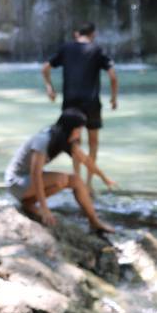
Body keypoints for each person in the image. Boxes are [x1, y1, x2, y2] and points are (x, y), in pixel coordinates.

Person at [5, 108, 116, 233]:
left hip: (27, 182)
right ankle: (29, 204)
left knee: (76, 180)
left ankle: (94, 222)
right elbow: (35, 174)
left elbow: (85, 160)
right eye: (78, 130)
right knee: (61, 179)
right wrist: (45, 209)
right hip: (16, 181)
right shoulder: (43, 139)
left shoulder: (64, 139)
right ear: (69, 128)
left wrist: (104, 178)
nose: (79, 134)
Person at [41, 22, 118, 192]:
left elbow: (45, 68)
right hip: (91, 103)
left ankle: (77, 181)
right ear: (93, 34)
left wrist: (49, 88)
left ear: (77, 34)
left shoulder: (66, 48)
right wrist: (113, 99)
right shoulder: (97, 50)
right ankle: (89, 184)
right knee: (93, 143)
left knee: (74, 143)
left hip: (70, 103)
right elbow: (113, 76)